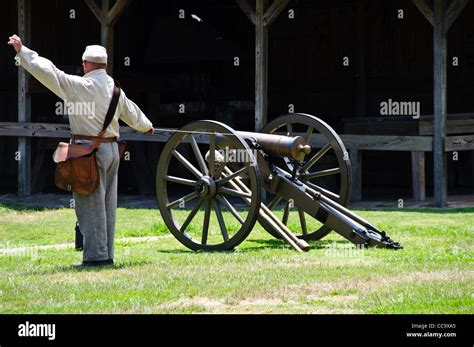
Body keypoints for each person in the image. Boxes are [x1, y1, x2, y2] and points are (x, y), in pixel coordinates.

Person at [8, 34, 155, 267]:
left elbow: (50, 72)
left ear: (86, 64)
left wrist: (23, 52)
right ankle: (106, 254)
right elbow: (133, 114)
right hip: (112, 151)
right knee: (107, 206)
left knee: (90, 205)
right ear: (104, 65)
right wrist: (147, 127)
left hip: (88, 152)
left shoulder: (80, 86)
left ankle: (96, 258)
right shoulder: (115, 89)